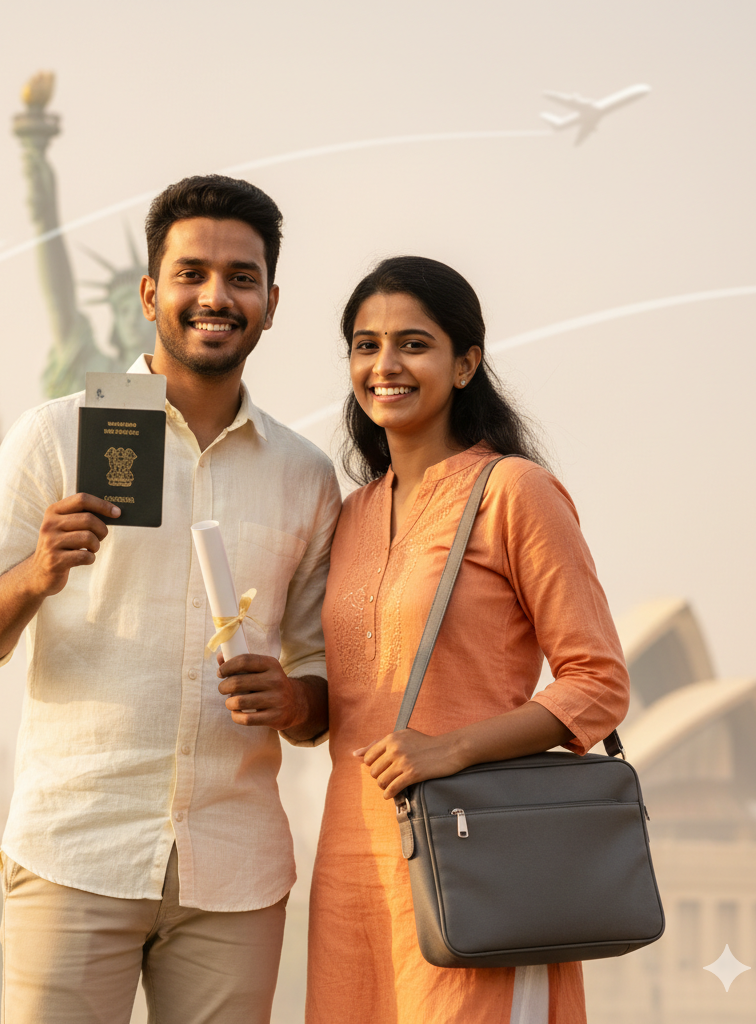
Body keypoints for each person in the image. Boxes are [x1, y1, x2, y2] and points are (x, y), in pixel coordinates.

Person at [0, 175, 340, 1024]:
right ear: (151, 295)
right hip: (77, 849)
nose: (215, 296)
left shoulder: (304, 476)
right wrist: (36, 573)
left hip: (235, 869)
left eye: (241, 278)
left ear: (271, 304)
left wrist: (294, 698)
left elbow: (321, 686)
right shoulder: (59, 434)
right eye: (192, 274)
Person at [306, 256, 629, 1024]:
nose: (385, 365)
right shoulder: (350, 516)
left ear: (465, 364)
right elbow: (351, 698)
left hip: (473, 858)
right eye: (365, 345)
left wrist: (449, 749)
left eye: (413, 344)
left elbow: (598, 683)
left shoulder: (514, 493)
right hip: (354, 868)